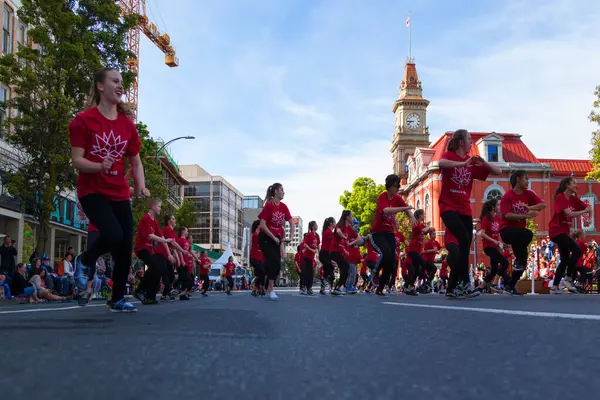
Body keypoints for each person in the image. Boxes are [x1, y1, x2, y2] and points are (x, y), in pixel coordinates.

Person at [69, 67, 148, 313]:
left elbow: (136, 161)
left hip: (119, 193)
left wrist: (141, 186)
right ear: (100, 86)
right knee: (113, 234)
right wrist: (98, 165)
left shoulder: (127, 125)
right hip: (92, 191)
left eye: (122, 82)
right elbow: (77, 160)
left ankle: (116, 300)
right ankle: (85, 260)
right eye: (115, 81)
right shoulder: (83, 120)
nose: (120, 85)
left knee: (125, 246)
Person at [438, 129, 501, 298]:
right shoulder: (450, 156)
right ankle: (465, 282)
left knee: (465, 247)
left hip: (465, 208)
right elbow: (441, 164)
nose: (471, 143)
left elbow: (498, 172)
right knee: (463, 240)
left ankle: (454, 286)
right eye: (469, 140)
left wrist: (484, 163)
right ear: (461, 143)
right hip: (448, 206)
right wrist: (461, 164)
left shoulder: (472, 162)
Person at [499, 170, 546, 295]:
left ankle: (510, 287)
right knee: (528, 234)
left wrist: (530, 208)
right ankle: (518, 260)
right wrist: (523, 215)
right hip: (507, 231)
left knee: (523, 261)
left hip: (519, 234)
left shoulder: (528, 194)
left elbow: (543, 205)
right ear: (518, 179)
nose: (528, 181)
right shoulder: (508, 196)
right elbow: (507, 215)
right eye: (526, 178)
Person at [370, 175, 416, 298]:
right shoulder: (382, 196)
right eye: (396, 185)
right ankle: (375, 272)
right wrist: (404, 208)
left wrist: (411, 216)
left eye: (399, 185)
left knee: (391, 260)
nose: (398, 188)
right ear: (389, 186)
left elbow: (407, 209)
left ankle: (380, 288)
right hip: (378, 232)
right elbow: (385, 210)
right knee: (385, 253)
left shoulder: (398, 198)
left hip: (389, 232)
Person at [548, 176, 590, 294]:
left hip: (564, 232)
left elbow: (585, 207)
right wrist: (584, 212)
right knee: (576, 250)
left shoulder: (574, 199)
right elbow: (568, 213)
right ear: (567, 185)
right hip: (556, 231)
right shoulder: (560, 197)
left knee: (565, 259)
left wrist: (588, 210)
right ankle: (568, 278)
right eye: (574, 183)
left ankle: (554, 287)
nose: (576, 186)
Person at [258, 183, 295, 301]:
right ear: (275, 192)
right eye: (281, 190)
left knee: (277, 265)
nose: (283, 192)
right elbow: (262, 225)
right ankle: (269, 289)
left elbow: (292, 222)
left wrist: (291, 237)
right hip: (265, 237)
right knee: (272, 261)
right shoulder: (269, 206)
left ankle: (268, 288)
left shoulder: (284, 207)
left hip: (276, 238)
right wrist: (273, 237)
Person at [133, 199, 174, 305]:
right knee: (155, 267)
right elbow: (150, 236)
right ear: (153, 207)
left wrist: (169, 254)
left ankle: (150, 296)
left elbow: (161, 237)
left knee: (158, 269)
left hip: (150, 250)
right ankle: (139, 290)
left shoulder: (155, 222)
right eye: (159, 206)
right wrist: (165, 240)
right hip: (141, 248)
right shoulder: (145, 218)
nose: (160, 209)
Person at [476, 199, 508, 293]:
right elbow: (481, 233)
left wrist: (503, 244)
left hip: (495, 247)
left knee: (494, 270)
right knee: (505, 263)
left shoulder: (497, 218)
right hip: (488, 246)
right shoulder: (486, 218)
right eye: (498, 205)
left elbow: (498, 234)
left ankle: (481, 287)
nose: (499, 207)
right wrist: (494, 241)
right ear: (493, 207)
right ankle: (494, 284)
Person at [405, 210, 434, 295]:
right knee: (423, 264)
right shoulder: (415, 224)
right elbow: (423, 231)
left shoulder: (421, 225)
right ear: (419, 215)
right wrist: (428, 226)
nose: (424, 216)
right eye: (423, 214)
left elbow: (428, 230)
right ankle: (419, 285)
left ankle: (410, 287)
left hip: (417, 251)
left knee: (416, 270)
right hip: (412, 250)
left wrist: (430, 229)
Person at [329, 210, 354, 296]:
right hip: (333, 252)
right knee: (346, 266)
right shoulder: (340, 225)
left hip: (338, 251)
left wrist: (346, 249)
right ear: (347, 217)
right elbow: (338, 231)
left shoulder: (348, 227)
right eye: (351, 216)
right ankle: (338, 287)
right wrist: (344, 237)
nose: (352, 218)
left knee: (345, 268)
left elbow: (342, 243)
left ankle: (339, 287)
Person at [302, 221, 319, 295]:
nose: (317, 226)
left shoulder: (316, 236)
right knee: (310, 273)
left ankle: (306, 287)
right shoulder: (309, 235)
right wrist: (312, 250)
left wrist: (318, 254)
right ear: (312, 226)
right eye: (316, 225)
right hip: (307, 256)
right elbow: (305, 244)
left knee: (310, 273)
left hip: (312, 257)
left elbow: (317, 246)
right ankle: (308, 288)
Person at [319, 217, 336, 292]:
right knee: (330, 267)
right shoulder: (328, 232)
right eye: (334, 222)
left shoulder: (329, 232)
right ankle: (324, 281)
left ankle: (323, 287)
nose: (335, 223)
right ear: (331, 223)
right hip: (323, 253)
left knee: (330, 272)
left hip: (327, 254)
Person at [249, 220, 265, 297]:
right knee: (261, 272)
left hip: (260, 258)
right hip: (254, 257)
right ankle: (260, 289)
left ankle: (257, 289)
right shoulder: (255, 235)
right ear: (258, 225)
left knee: (261, 274)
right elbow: (257, 247)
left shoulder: (260, 233)